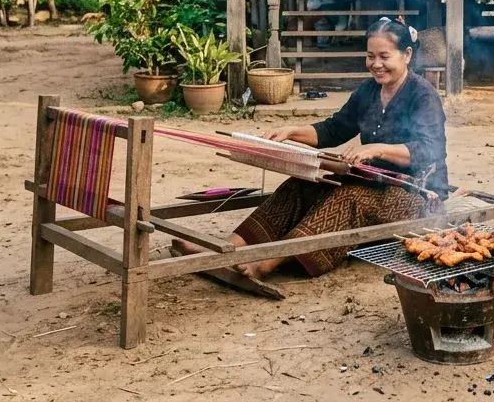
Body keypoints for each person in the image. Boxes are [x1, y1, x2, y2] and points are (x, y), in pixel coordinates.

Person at [171, 18, 447, 281]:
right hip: (374, 181)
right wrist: (293, 132)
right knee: (300, 185)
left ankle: (263, 264)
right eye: (370, 56)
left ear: (407, 55)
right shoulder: (368, 91)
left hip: (418, 195)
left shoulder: (422, 95)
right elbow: (333, 129)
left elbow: (428, 150)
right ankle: (223, 250)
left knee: (348, 198)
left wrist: (377, 149)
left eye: (384, 56)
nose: (375, 64)